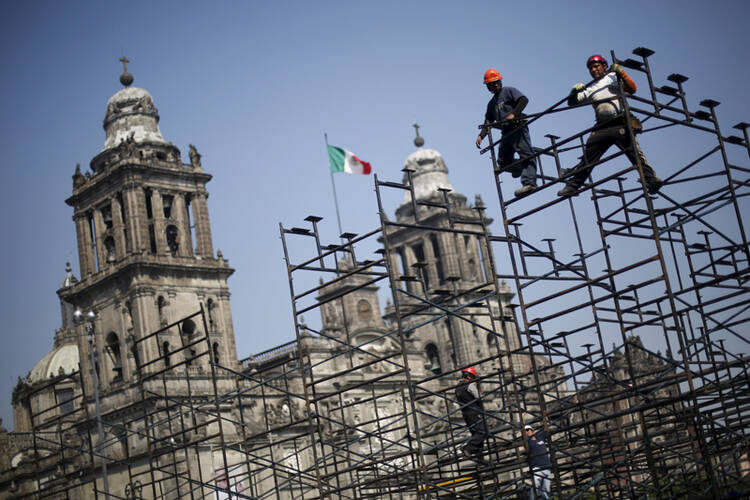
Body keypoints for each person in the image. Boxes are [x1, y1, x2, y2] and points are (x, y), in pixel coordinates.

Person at [558, 54, 662, 197]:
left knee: (635, 154)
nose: (593, 70)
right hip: (601, 127)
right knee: (588, 159)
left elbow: (632, 88)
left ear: (604, 66)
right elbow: (572, 103)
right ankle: (573, 186)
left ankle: (651, 180)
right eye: (591, 68)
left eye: (596, 66)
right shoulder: (589, 88)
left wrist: (621, 73)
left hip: (619, 122)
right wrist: (574, 92)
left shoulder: (612, 77)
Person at [476, 69, 538, 198]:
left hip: (517, 127)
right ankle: (519, 168)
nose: (493, 86)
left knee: (526, 154)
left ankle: (530, 183)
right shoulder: (492, 103)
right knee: (503, 161)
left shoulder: (509, 91)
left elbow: (523, 100)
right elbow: (488, 121)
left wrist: (514, 114)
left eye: (495, 83)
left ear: (499, 82)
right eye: (490, 84)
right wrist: (481, 135)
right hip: (506, 132)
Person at [455, 366, 488, 460]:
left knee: (476, 434)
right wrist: (481, 395)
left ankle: (480, 457)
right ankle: (468, 449)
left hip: (466, 414)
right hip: (474, 412)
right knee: (483, 432)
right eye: (473, 377)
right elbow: (479, 397)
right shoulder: (470, 385)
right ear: (469, 377)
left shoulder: (457, 387)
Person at [525, 424, 552, 500]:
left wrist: (545, 417)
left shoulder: (540, 438)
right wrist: (522, 419)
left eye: (528, 430)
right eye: (525, 431)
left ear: (532, 431)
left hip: (547, 467)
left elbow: (546, 427)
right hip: (537, 468)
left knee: (546, 491)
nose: (527, 432)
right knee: (534, 487)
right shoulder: (528, 442)